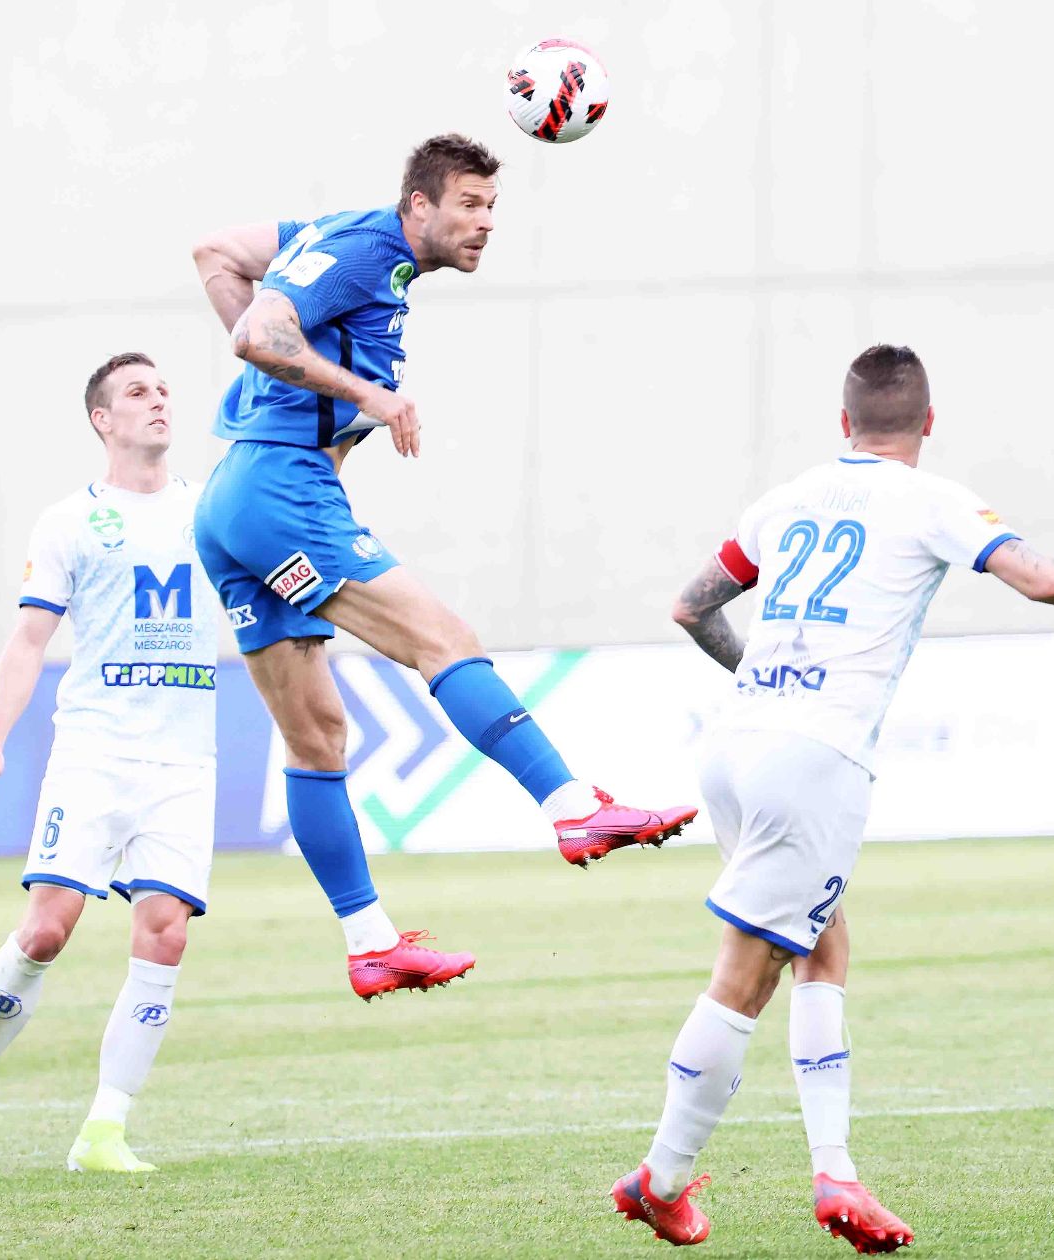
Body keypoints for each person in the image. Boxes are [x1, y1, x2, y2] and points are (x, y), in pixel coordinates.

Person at [610, 344, 1054, 1252]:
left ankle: (834, 1170)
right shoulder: (932, 499)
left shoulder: (787, 498)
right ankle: (662, 1177)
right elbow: (1038, 574)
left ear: (844, 423)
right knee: (747, 972)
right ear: (928, 422)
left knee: (821, 941)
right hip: (814, 759)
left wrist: (766, 681)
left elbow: (691, 607)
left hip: (733, 742)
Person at [189, 133, 696, 1002]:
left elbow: (217, 252)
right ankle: (573, 807)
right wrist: (366, 395)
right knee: (444, 641)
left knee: (317, 738)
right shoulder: (362, 249)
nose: (485, 222)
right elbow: (258, 335)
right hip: (281, 490)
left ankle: (371, 944)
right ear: (417, 205)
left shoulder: (331, 235)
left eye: (492, 206)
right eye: (469, 204)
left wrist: (287, 377)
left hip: (233, 501)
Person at [0, 353, 217, 1173]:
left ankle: (104, 1132)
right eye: (138, 393)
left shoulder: (211, 511)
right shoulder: (69, 522)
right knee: (48, 929)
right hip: (94, 752)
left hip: (184, 762)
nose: (158, 402)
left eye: (164, 390)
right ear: (102, 420)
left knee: (166, 934)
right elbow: (29, 640)